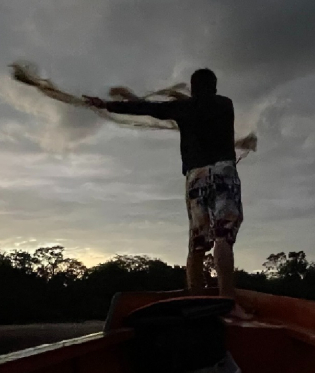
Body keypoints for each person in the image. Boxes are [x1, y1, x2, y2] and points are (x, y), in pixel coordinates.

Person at [84, 69, 249, 315]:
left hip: (196, 178)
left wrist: (107, 105)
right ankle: (228, 303)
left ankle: (196, 301)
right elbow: (160, 107)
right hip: (223, 173)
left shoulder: (183, 108)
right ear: (215, 87)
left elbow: (148, 109)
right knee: (223, 237)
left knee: (198, 243)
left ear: (192, 88)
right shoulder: (225, 104)